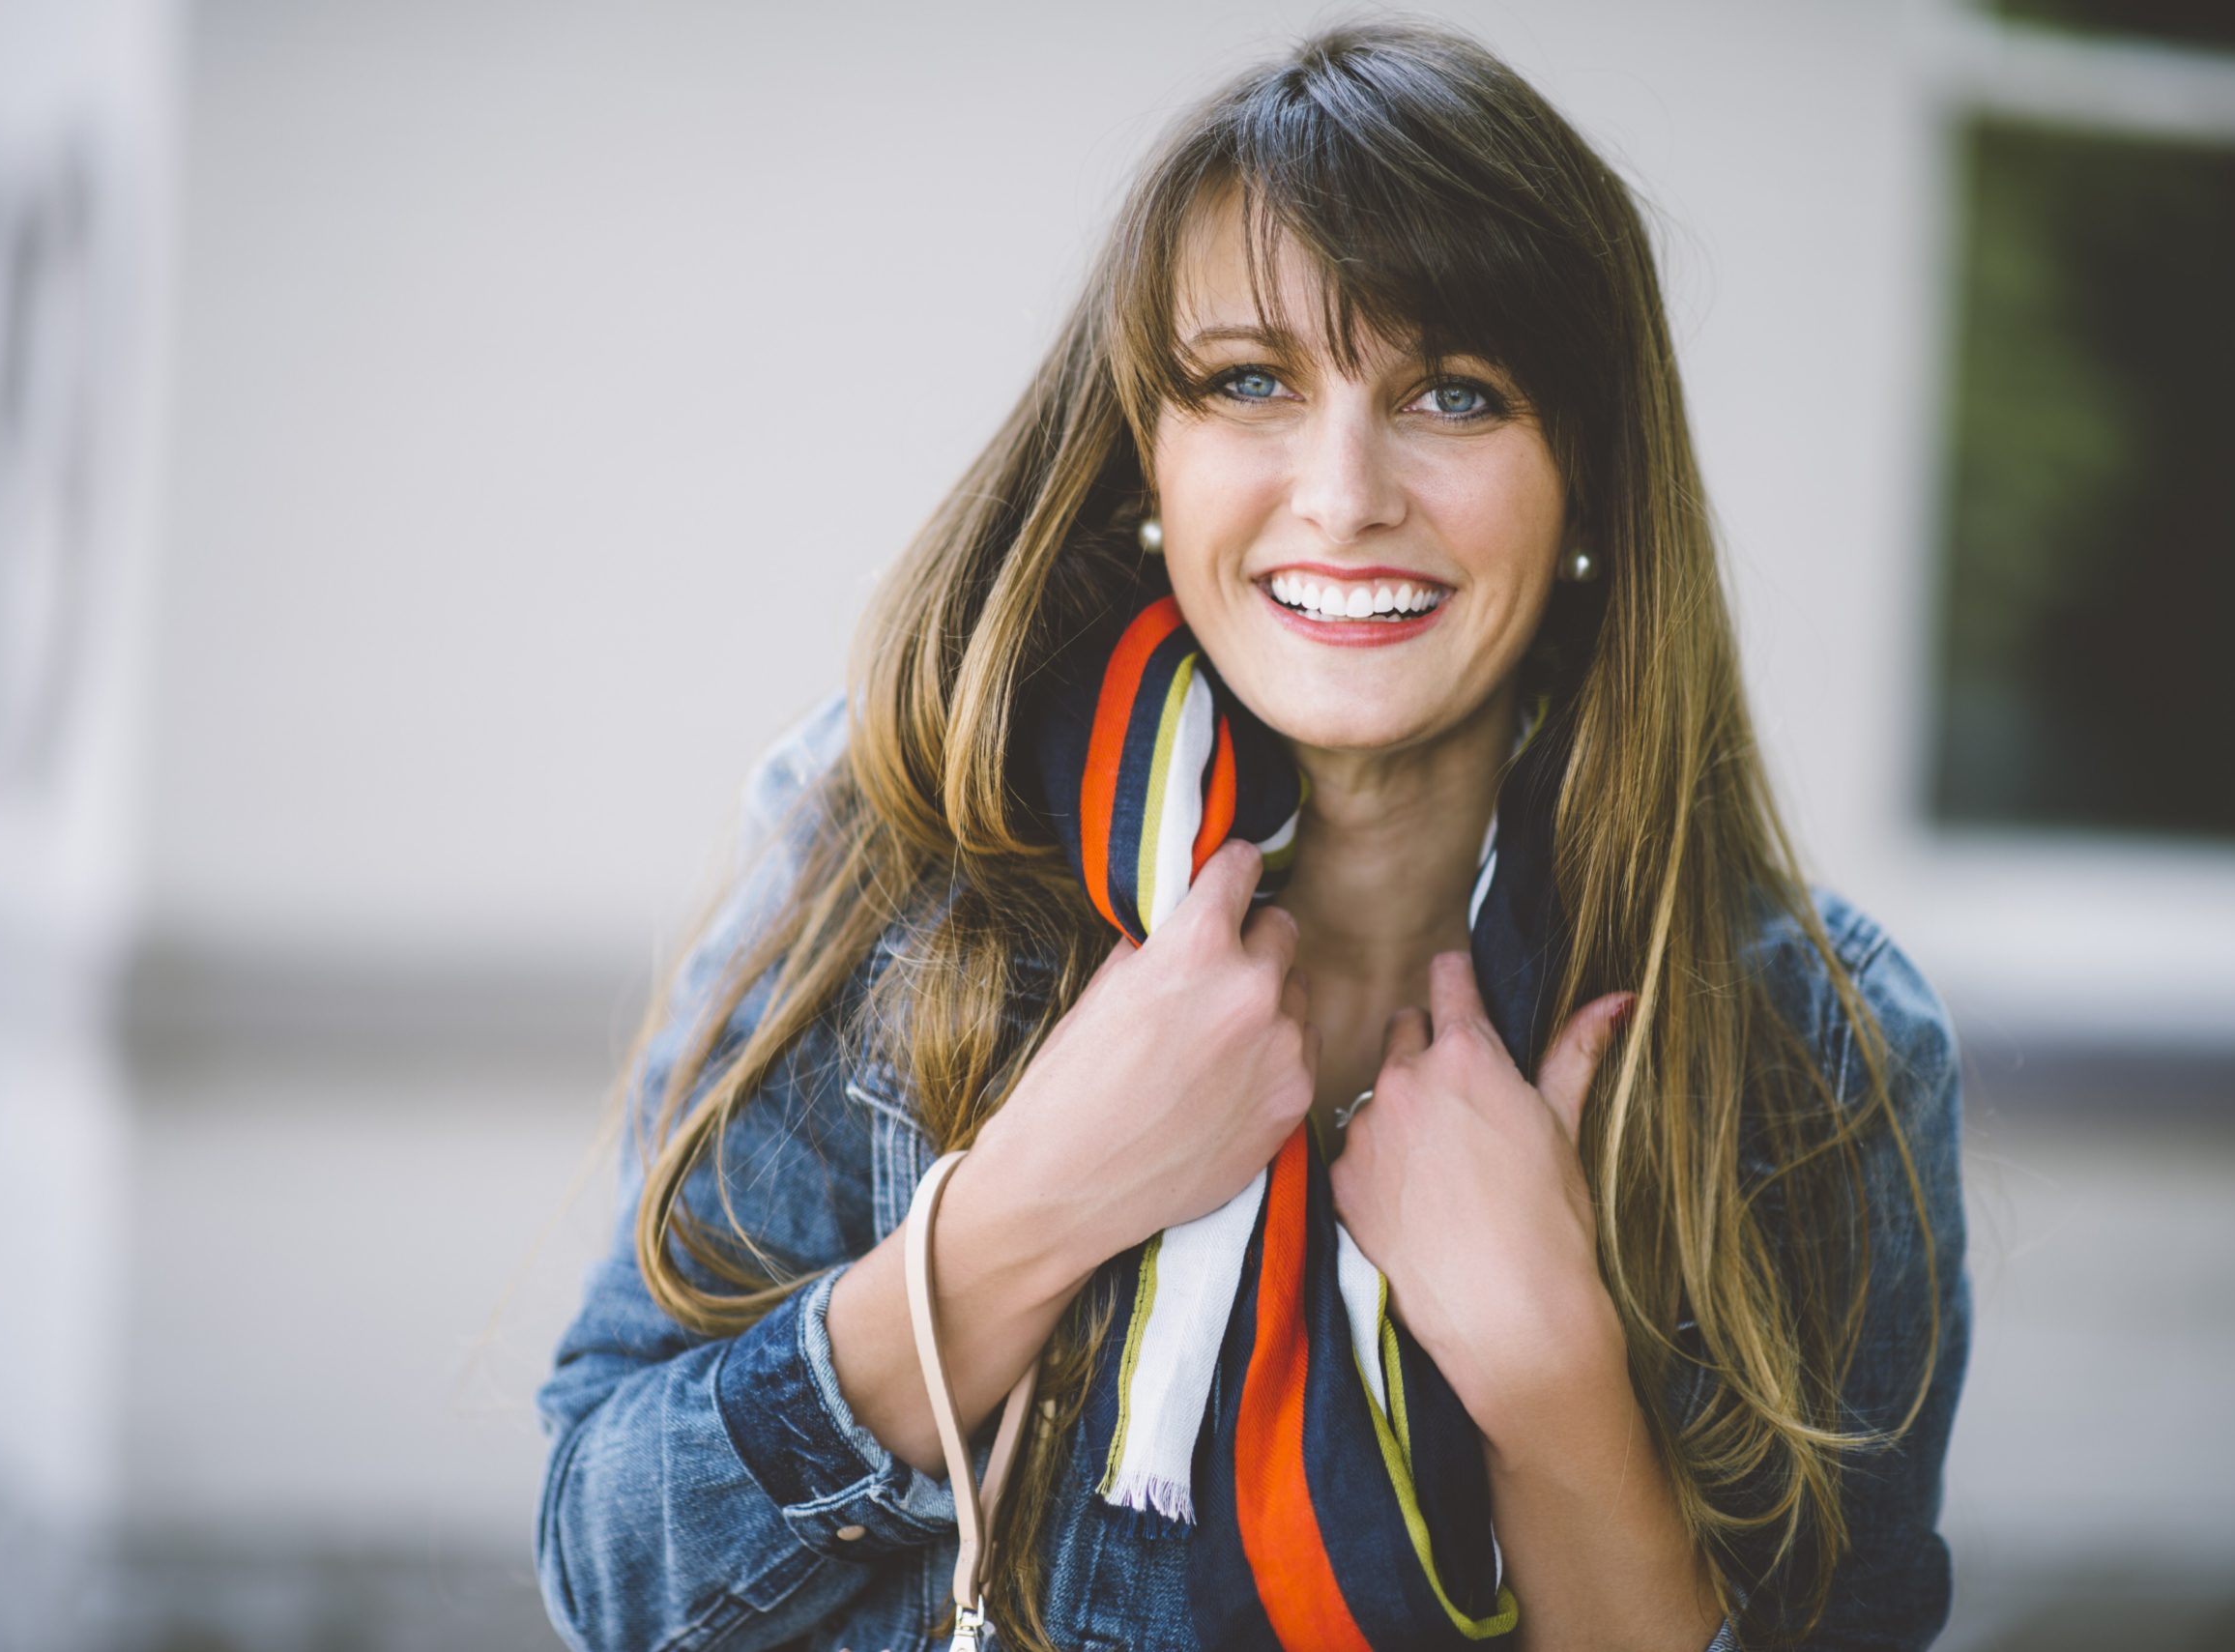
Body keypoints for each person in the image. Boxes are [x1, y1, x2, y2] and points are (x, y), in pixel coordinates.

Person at [533, 17, 1969, 1652]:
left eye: (1453, 390)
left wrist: (1558, 1382)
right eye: (1248, 382)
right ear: (1151, 452)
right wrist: (1023, 1218)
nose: (1343, 491)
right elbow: (615, 1581)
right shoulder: (903, 852)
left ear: (1591, 482)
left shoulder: (1816, 1048)